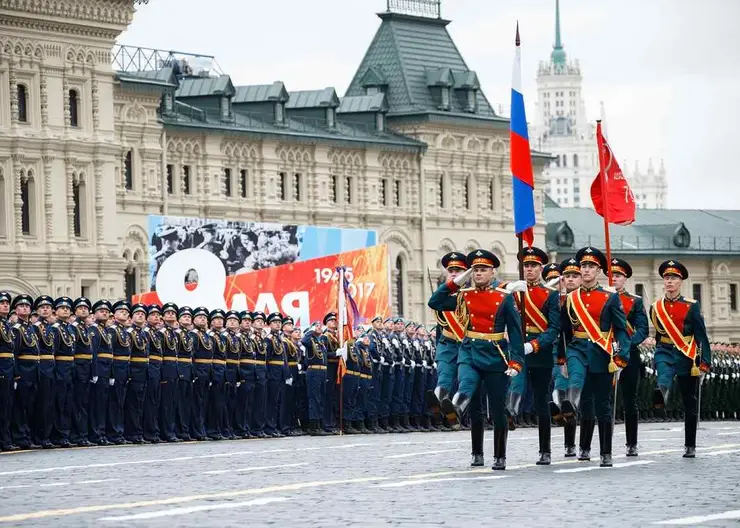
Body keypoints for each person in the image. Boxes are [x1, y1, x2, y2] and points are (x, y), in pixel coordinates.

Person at [429, 249, 525, 470]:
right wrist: (456, 282)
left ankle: (499, 455)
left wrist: (516, 361)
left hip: (495, 355)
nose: (479, 273)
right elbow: (435, 302)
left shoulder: (504, 298)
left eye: (483, 270)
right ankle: (459, 419)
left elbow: (516, 333)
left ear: (492, 272)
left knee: (498, 409)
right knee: (468, 389)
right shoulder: (465, 295)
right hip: (470, 351)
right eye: (476, 270)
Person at [559, 247, 630, 468]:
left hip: (602, 354)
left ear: (599, 270)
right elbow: (563, 331)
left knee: (601, 406)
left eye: (591, 266)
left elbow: (621, 329)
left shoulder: (610, 297)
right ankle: (583, 444)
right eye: (583, 267)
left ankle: (606, 452)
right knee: (579, 387)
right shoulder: (571, 298)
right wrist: (562, 358)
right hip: (577, 349)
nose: (586, 270)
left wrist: (621, 356)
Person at [650, 260, 711, 458]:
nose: (669, 281)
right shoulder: (656, 306)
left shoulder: (691, 306)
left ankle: (690, 444)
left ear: (680, 282)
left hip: (686, 354)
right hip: (665, 349)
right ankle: (662, 392)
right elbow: (659, 333)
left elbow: (701, 336)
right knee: (664, 372)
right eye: (667, 278)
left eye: (673, 278)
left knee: (689, 401)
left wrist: (704, 362)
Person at [507, 246, 562, 465]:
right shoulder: (513, 291)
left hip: (540, 354)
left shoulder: (550, 295)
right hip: (518, 351)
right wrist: (510, 293)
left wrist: (535, 344)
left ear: (541, 268)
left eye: (533, 266)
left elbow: (554, 328)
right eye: (526, 265)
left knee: (541, 402)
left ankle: (545, 450)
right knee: (514, 389)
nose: (529, 269)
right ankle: (509, 418)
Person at [610, 258, 649, 456]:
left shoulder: (634, 301)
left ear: (625, 279)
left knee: (629, 400)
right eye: (611, 275)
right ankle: (604, 443)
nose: (614, 278)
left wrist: (626, 344)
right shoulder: (601, 298)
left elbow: (643, 329)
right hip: (605, 352)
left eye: (618, 275)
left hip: (629, 355)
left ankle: (631, 442)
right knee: (604, 400)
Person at [426, 252, 467, 421]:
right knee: (444, 375)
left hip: (467, 344)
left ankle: (455, 409)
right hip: (447, 343)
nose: (454, 273)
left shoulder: (470, 294)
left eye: (458, 270)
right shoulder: (441, 295)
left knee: (466, 379)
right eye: (451, 270)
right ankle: (437, 400)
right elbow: (439, 326)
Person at [551, 259, 580, 458]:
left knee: (579, 399)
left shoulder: (587, 298)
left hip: (582, 351)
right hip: (559, 351)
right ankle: (569, 443)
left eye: (574, 275)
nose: (570, 279)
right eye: (567, 276)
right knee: (562, 392)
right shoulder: (554, 300)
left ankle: (581, 442)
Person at [50, 297, 75, 448]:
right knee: (59, 402)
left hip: (69, 368)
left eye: (67, 308)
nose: (65, 310)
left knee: (67, 403)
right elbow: (53, 351)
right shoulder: (55, 328)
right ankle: (59, 434)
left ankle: (65, 433)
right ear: (56, 312)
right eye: (62, 308)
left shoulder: (69, 328)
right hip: (60, 368)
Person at [32, 295, 56, 448]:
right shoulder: (36, 327)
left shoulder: (50, 327)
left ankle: (47, 435)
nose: (45, 309)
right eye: (42, 307)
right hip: (42, 367)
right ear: (38, 311)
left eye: (48, 307)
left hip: (52, 366)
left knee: (50, 403)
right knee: (42, 404)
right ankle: (40, 437)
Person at [88, 299, 113, 446]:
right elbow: (94, 353)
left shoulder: (105, 330)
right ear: (95, 314)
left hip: (106, 370)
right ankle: (96, 433)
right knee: (97, 404)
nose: (104, 313)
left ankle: (101, 432)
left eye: (106, 311)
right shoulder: (93, 329)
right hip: (99, 371)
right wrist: (94, 372)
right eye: (101, 311)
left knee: (103, 404)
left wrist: (111, 374)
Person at [69, 297, 93, 447]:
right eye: (80, 308)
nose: (83, 309)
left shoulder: (85, 327)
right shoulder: (73, 327)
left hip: (86, 367)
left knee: (83, 402)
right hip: (78, 367)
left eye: (85, 308)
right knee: (77, 402)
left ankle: (83, 434)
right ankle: (78, 435)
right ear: (75, 311)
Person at [107, 300, 132, 445]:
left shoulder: (123, 331)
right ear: (114, 315)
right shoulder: (112, 330)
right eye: (120, 311)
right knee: (115, 403)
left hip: (123, 370)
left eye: (125, 312)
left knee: (120, 403)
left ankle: (119, 431)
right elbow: (110, 353)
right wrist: (111, 374)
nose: (124, 313)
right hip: (116, 370)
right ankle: (114, 433)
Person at [124, 303, 149, 444]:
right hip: (134, 371)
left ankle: (138, 432)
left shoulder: (143, 333)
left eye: (142, 314)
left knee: (140, 404)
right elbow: (127, 355)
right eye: (137, 314)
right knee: (132, 404)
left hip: (143, 371)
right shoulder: (129, 332)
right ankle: (132, 433)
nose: (140, 315)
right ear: (131, 317)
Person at [264, 312, 290, 437]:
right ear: (269, 324)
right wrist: (268, 374)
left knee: (278, 402)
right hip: (272, 374)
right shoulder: (268, 339)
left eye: (279, 322)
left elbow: (284, 359)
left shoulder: (280, 339)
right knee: (271, 402)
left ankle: (275, 426)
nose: (278, 324)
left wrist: (286, 374)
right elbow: (266, 359)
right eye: (275, 322)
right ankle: (270, 427)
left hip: (280, 374)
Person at [159, 303, 181, 442]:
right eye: (168, 313)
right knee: (166, 404)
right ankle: (166, 432)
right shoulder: (162, 333)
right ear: (163, 316)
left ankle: (171, 431)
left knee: (172, 403)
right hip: (166, 370)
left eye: (173, 313)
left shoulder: (174, 333)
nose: (171, 314)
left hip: (174, 370)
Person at [190, 306, 213, 441]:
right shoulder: (194, 335)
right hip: (199, 371)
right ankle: (197, 430)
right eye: (199, 317)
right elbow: (192, 355)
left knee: (203, 403)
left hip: (206, 372)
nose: (203, 319)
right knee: (197, 403)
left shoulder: (206, 335)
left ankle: (202, 429)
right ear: (194, 320)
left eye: (204, 317)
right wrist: (194, 373)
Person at [302, 322, 328, 436]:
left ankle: (319, 425)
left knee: (321, 398)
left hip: (322, 371)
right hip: (314, 371)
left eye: (319, 326)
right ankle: (313, 427)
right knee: (314, 399)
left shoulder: (320, 341)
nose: (319, 327)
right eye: (316, 326)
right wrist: (310, 331)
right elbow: (304, 341)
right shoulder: (310, 340)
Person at [0, 291, 18, 452]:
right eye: (2, 302)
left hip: (9, 367)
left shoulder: (7, 325)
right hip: (1, 367)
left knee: (7, 405)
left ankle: (5, 439)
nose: (5, 304)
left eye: (7, 302)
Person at [143, 305, 163, 443]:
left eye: (157, 315)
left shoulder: (155, 332)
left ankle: (154, 431)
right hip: (150, 369)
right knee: (149, 402)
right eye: (153, 315)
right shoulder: (146, 332)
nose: (156, 317)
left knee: (155, 402)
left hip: (158, 368)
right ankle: (149, 432)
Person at [206, 309, 227, 440]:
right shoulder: (210, 336)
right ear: (211, 322)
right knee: (213, 403)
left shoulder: (222, 337)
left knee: (220, 402)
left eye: (220, 319)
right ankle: (212, 430)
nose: (219, 321)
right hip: (214, 370)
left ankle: (218, 428)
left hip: (222, 370)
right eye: (216, 319)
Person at [235, 311, 256, 438]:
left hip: (251, 373)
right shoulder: (237, 337)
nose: (247, 322)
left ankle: (246, 427)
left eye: (249, 320)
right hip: (243, 372)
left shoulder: (249, 338)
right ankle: (240, 429)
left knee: (249, 403)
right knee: (241, 404)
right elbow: (236, 357)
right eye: (244, 320)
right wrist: (239, 376)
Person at [176, 306, 194, 441]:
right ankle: (180, 430)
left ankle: (185, 429)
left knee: (187, 402)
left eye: (189, 316)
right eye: (184, 316)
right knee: (179, 402)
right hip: (180, 368)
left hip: (188, 369)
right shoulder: (177, 333)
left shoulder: (188, 334)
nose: (187, 318)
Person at [280, 316, 300, 436]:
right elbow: (284, 359)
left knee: (293, 400)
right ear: (283, 327)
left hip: (295, 369)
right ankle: (285, 426)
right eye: (288, 324)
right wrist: (287, 374)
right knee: (286, 400)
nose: (291, 326)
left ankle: (292, 425)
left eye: (291, 324)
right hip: (288, 370)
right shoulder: (283, 340)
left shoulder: (291, 341)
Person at [223, 310, 241, 440]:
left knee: (233, 403)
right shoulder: (224, 336)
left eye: (235, 320)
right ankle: (225, 428)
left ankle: (230, 428)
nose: (233, 322)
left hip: (235, 371)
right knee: (225, 402)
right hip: (226, 370)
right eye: (230, 320)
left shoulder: (236, 337)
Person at [321, 313, 340, 434]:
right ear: (327, 323)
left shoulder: (338, 337)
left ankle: (334, 422)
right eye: (331, 321)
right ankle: (327, 424)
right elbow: (323, 355)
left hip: (337, 369)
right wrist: (336, 353)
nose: (334, 322)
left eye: (335, 321)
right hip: (329, 368)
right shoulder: (325, 337)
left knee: (334, 397)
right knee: (328, 397)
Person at [250, 312, 268, 438]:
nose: (260, 322)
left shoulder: (262, 337)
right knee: (252, 401)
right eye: (257, 320)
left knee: (261, 401)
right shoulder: (250, 337)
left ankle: (259, 427)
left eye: (262, 321)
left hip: (262, 370)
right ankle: (253, 427)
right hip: (253, 370)